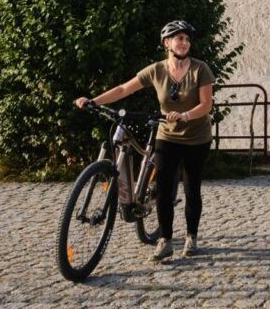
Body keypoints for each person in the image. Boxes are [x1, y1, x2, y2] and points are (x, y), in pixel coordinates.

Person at [76, 20, 215, 262]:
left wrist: (185, 115)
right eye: (178, 38)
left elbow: (206, 104)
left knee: (192, 189)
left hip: (196, 137)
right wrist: (94, 101)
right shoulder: (157, 70)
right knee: (162, 187)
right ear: (167, 43)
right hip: (167, 134)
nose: (184, 43)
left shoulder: (200, 69)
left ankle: (192, 235)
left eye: (186, 39)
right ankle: (166, 241)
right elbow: (123, 89)